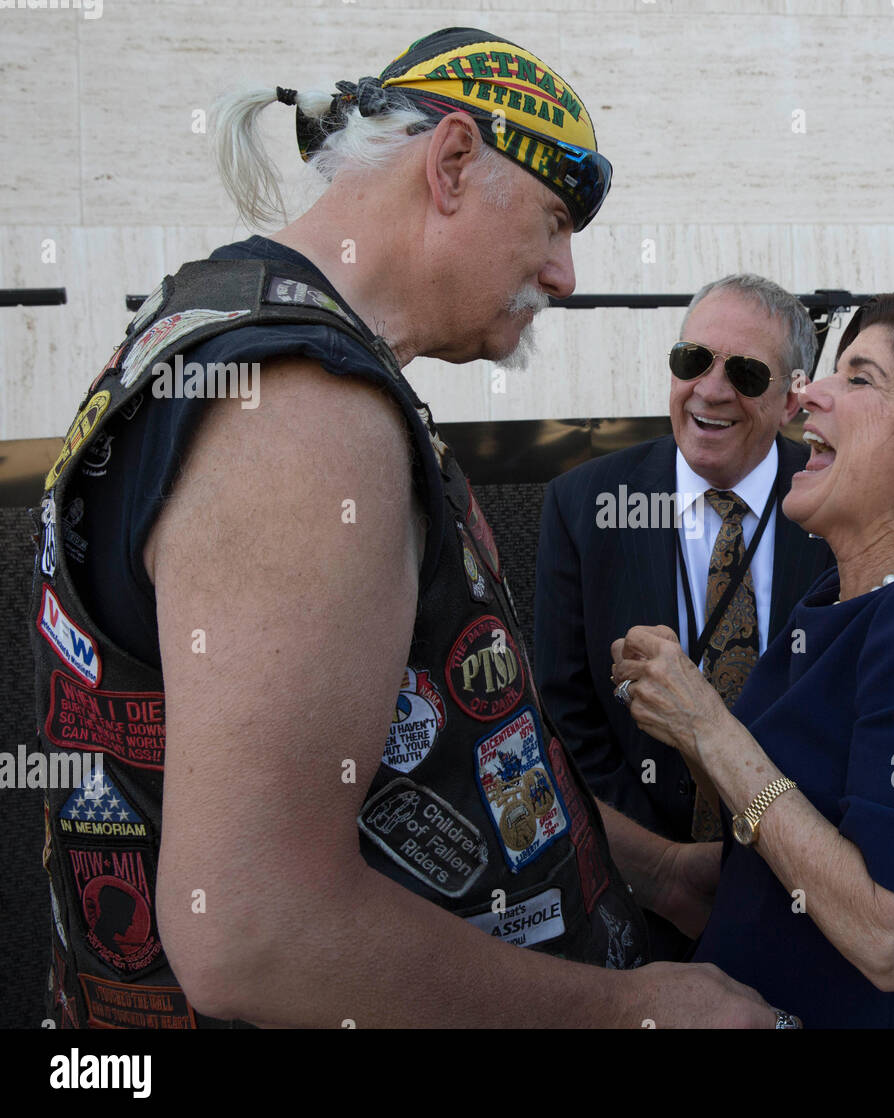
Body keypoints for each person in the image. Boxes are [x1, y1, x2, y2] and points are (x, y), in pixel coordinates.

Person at [32, 27, 780, 1029]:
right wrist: (628, 1007)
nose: (563, 274)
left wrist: (658, 868)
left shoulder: (241, 330)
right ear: (455, 162)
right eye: (555, 221)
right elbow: (260, 932)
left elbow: (427, 764)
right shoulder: (302, 410)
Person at [610, 295, 894, 1027]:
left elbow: (889, 936)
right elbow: (801, 829)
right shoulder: (838, 594)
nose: (807, 392)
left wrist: (709, 731)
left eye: (860, 379)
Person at [535, 275, 833, 958]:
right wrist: (657, 864)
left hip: (802, 887)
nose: (711, 390)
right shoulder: (583, 504)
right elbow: (566, 712)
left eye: (747, 373)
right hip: (640, 897)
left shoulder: (836, 507)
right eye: (692, 360)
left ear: (791, 399)